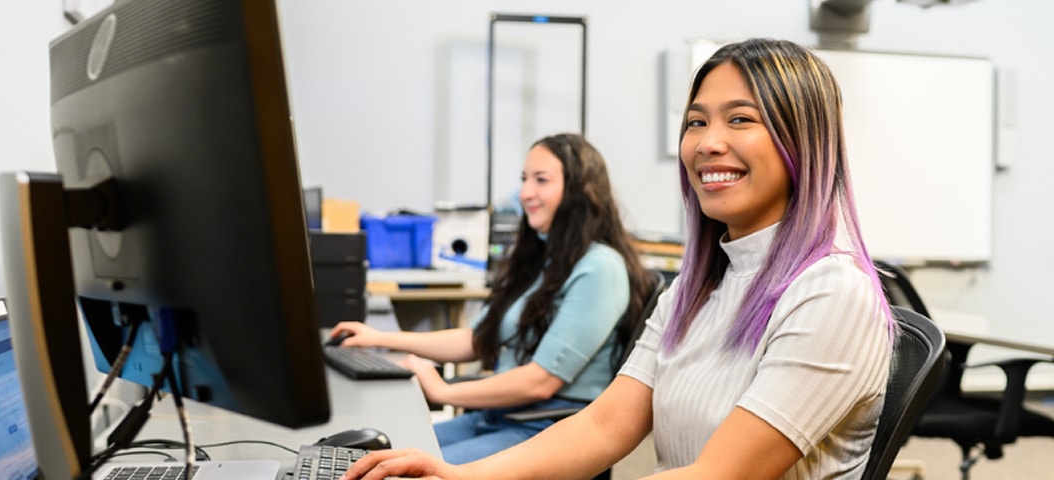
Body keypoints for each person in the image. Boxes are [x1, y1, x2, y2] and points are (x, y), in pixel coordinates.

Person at [340, 37, 894, 480]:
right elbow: (606, 425)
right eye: (697, 122)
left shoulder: (832, 293)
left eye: (740, 119)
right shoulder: (694, 288)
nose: (706, 143)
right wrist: (463, 477)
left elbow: (716, 475)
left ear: (805, 141)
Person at [329, 132, 651, 464]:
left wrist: (443, 391)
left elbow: (540, 381)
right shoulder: (544, 260)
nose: (525, 193)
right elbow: (476, 339)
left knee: (400, 470)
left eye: (541, 180)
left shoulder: (600, 268)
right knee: (366, 457)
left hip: (546, 428)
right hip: (501, 416)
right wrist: (382, 339)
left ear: (580, 190)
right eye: (524, 180)